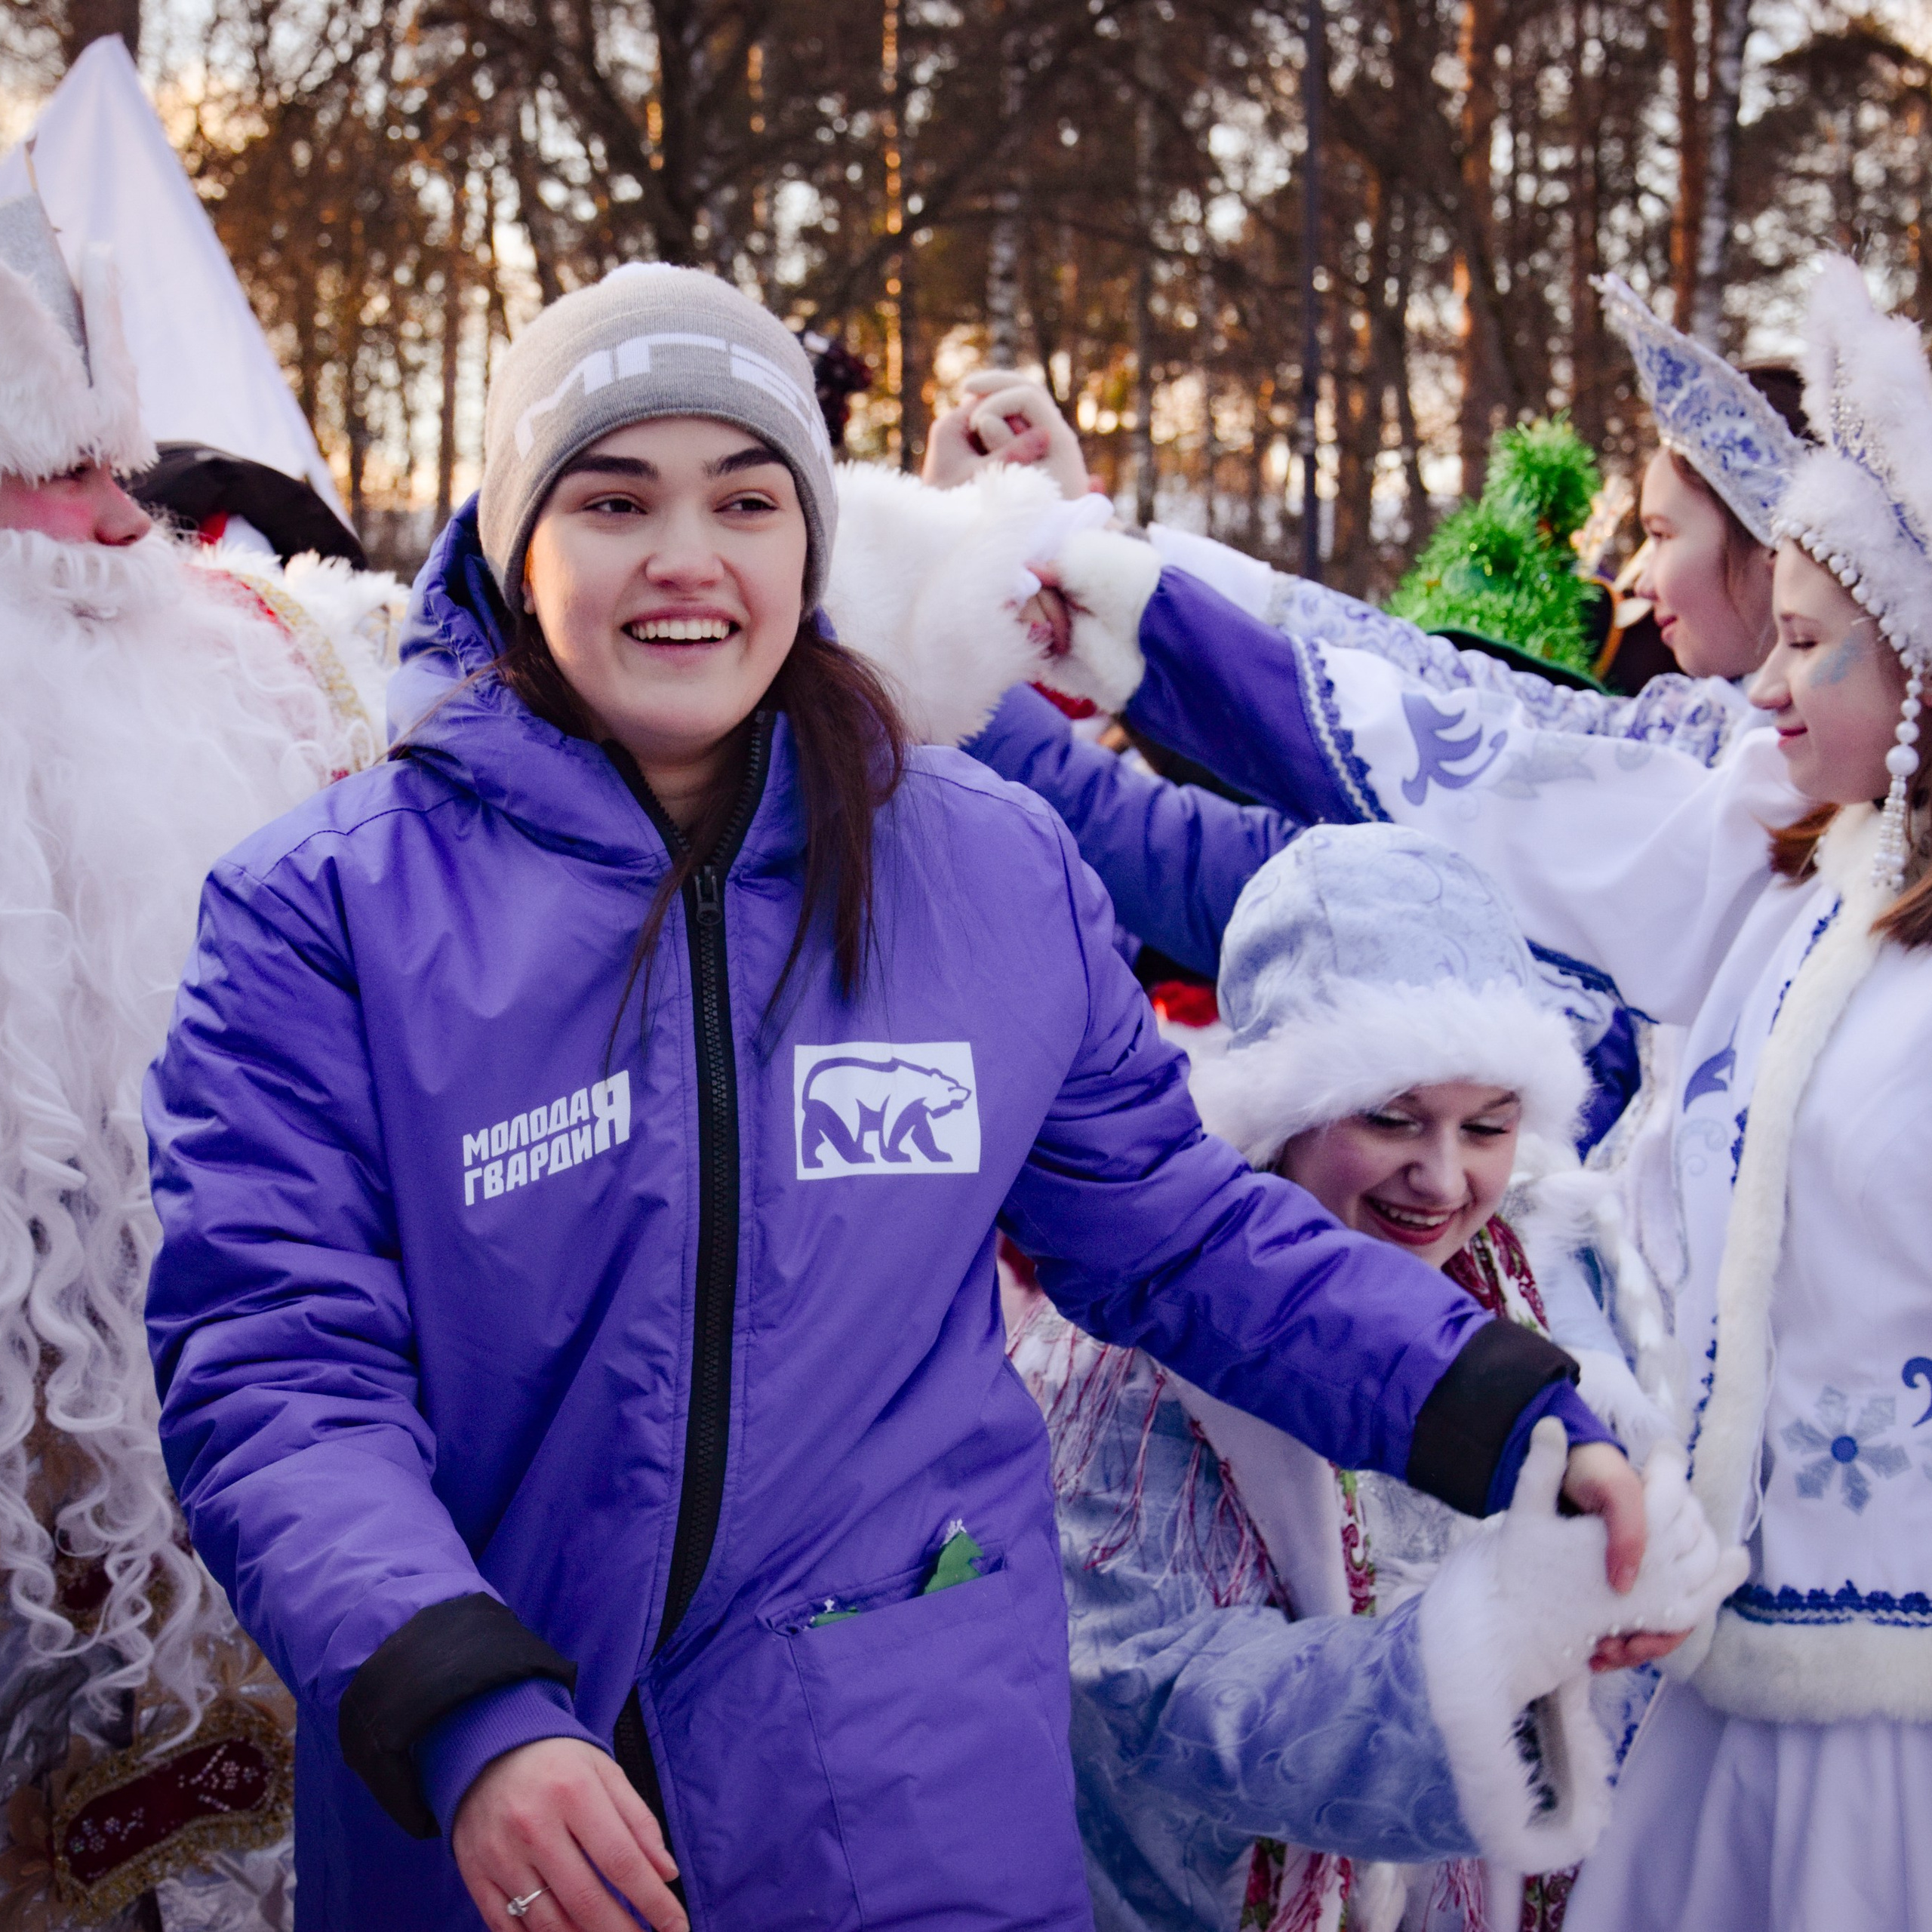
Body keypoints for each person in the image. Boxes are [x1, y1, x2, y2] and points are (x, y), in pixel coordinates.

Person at [144, 263, 1655, 1932]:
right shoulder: (324, 911)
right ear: (514, 541)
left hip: (909, 1799)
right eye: (613, 498)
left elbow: (1177, 1236)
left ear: (809, 537)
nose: (686, 558)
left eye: (745, 497)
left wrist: (1501, 1408)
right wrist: (463, 1704)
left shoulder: (985, 866)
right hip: (508, 1815)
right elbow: (277, 1369)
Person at [1018, 254, 1932, 1932]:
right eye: (1391, 1118)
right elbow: (1462, 752)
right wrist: (1095, 596)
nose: (1760, 683)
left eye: (1807, 641)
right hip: (1715, 1682)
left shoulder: (1555, 1251)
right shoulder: (1787, 853)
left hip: (1869, 1704)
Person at [1011, 823, 1718, 1932]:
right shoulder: (1128, 1344)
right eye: (1390, 1118)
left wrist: (1641, 1572)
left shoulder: (1547, 1259)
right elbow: (1153, 1691)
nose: (1442, 1177)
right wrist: (1484, 1650)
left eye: (1487, 1126)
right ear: (1281, 1109)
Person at [0, 192, 395, 1924]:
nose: (114, 526)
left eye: (116, 469)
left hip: (249, 1550)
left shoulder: (255, 686)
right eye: (49, 479)